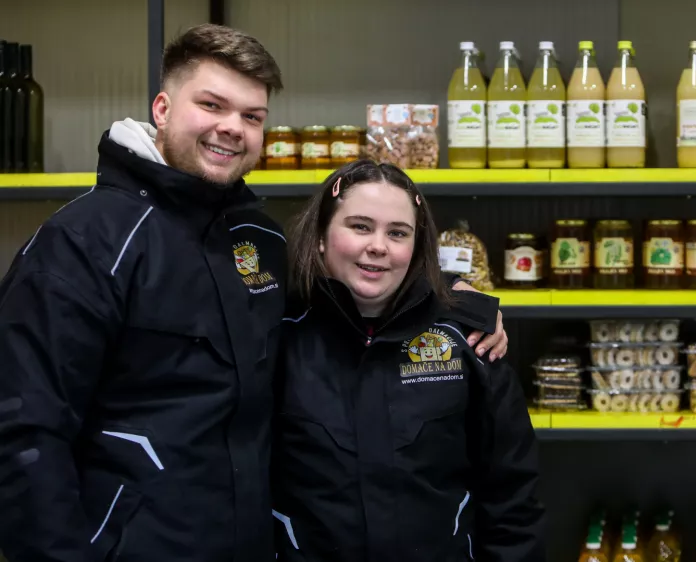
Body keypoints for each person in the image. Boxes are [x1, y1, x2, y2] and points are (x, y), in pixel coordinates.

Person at [0, 24, 506, 562]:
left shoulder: (259, 239)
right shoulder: (84, 241)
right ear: (163, 107)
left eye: (252, 116)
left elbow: (350, 286)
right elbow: (23, 433)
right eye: (212, 104)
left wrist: (458, 304)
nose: (231, 128)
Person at [270, 160, 544, 562]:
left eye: (397, 233)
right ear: (322, 237)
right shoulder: (275, 333)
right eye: (360, 226)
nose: (378, 245)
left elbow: (512, 495)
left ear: (416, 246)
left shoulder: (468, 338)